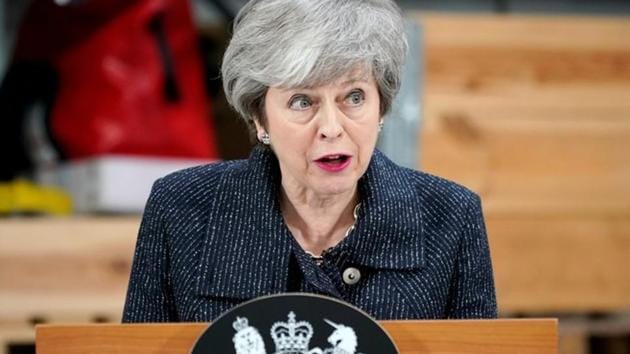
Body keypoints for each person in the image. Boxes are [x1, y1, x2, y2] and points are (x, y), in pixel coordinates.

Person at [123, 0, 497, 323]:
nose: (331, 128)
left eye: (353, 97)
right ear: (259, 118)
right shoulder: (181, 208)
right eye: (303, 101)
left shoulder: (450, 216)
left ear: (381, 106)